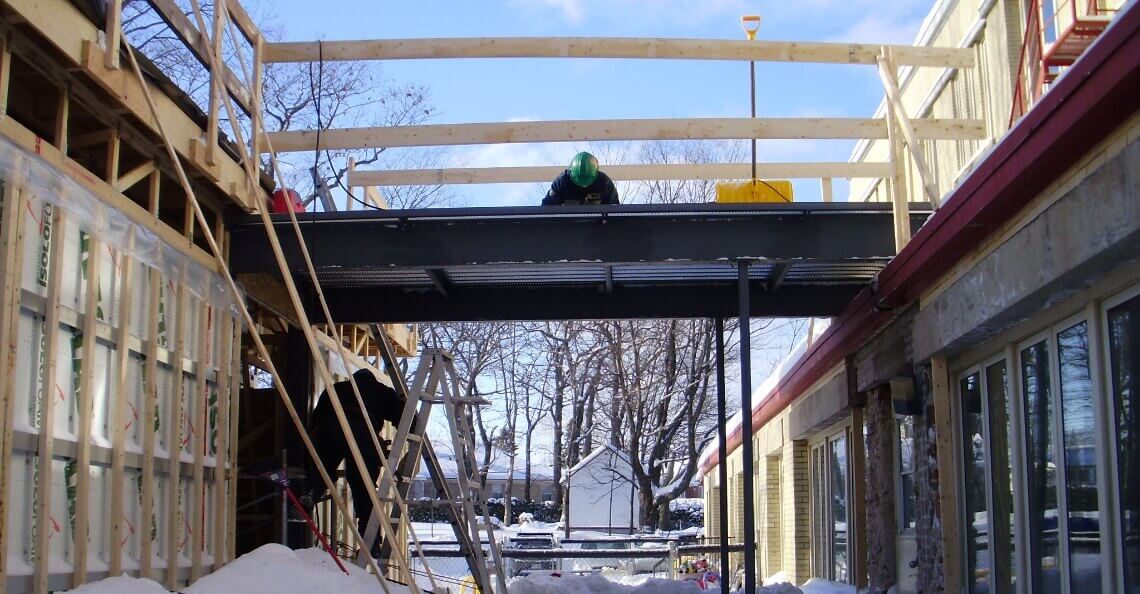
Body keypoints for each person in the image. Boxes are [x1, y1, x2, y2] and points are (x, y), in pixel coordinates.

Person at [299, 369, 409, 537]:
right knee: (364, 489)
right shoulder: (382, 391)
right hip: (364, 435)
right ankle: (371, 542)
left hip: (333, 429)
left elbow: (316, 421)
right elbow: (404, 418)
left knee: (322, 470)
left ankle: (311, 493)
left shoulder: (336, 388)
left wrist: (311, 459)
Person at [542, 151, 620, 205]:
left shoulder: (604, 183)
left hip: (597, 225)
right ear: (571, 173)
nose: (583, 186)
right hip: (568, 225)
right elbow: (547, 209)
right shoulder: (562, 183)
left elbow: (614, 208)